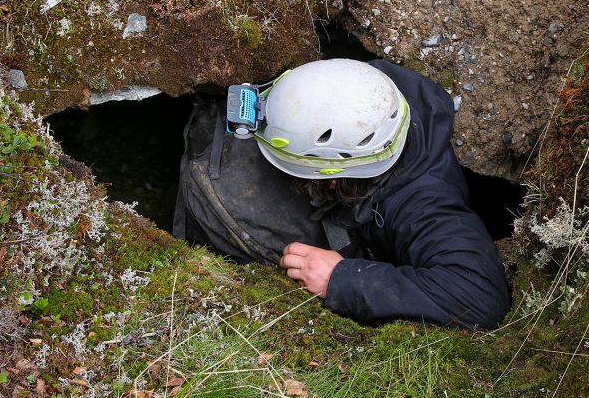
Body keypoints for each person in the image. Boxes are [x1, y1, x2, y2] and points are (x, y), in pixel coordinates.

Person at [174, 58, 509, 330]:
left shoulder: (424, 209)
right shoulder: (361, 91)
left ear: (332, 179)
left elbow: (481, 296)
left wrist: (342, 279)